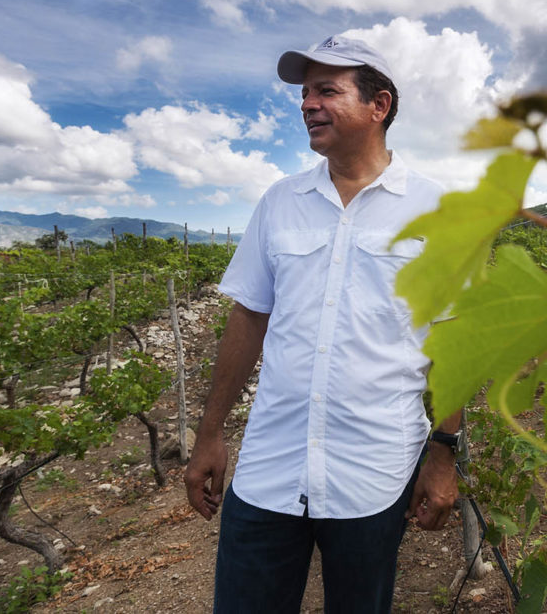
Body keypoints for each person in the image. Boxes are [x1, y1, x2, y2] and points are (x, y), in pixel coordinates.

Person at [183, 35, 461, 613]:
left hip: (375, 471)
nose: (308, 104)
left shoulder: (439, 212)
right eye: (305, 94)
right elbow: (248, 317)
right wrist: (210, 432)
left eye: (326, 91)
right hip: (271, 465)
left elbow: (456, 342)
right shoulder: (280, 201)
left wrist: (443, 455)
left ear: (379, 105)